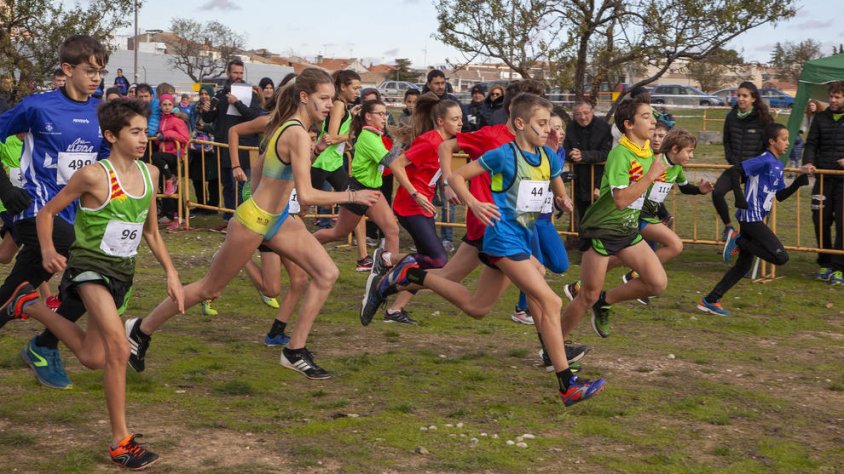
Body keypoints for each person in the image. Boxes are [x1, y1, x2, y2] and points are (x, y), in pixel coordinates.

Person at [123, 68, 380, 380]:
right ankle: (140, 329)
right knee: (208, 288)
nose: (329, 104)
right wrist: (354, 194)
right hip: (254, 221)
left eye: (330, 98)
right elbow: (309, 195)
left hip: (279, 220)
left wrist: (315, 152)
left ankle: (294, 350)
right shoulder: (295, 131)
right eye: (323, 98)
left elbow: (267, 171)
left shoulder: (292, 129)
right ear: (303, 97)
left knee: (327, 273)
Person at [360, 93, 604, 406]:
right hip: (501, 240)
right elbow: (459, 175)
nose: (548, 130)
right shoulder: (503, 153)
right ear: (519, 123)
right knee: (549, 299)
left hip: (519, 239)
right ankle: (566, 382)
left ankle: (413, 274)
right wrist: (474, 203)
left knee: (478, 308)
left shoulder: (544, 155)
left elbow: (552, 175)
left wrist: (561, 197)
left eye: (550, 124)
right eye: (542, 124)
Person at [0, 98, 183, 469]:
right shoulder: (93, 175)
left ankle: (28, 304)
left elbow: (150, 231)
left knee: (92, 357)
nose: (143, 138)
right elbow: (47, 212)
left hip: (121, 274)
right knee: (118, 350)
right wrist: (49, 250)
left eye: (144, 131)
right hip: (88, 269)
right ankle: (121, 442)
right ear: (111, 136)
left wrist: (172, 272)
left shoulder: (150, 174)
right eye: (134, 131)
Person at [0, 35, 111, 390]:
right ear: (67, 69)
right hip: (35, 208)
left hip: (76, 214)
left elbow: (107, 164)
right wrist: (5, 188)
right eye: (90, 70)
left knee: (16, 288)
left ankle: (34, 333)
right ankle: (45, 343)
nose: (96, 78)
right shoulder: (37, 106)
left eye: (101, 71)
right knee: (88, 261)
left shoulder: (101, 112)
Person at [560, 95, 668, 340]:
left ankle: (605, 301)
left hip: (627, 231)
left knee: (657, 283)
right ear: (629, 125)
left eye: (652, 115)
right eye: (646, 116)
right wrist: (651, 176)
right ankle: (554, 344)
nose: (653, 121)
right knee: (586, 294)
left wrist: (661, 212)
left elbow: (644, 193)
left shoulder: (648, 153)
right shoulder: (620, 154)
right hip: (602, 231)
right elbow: (620, 200)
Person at [698, 123, 811, 314]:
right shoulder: (764, 160)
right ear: (772, 142)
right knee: (781, 257)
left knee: (742, 266)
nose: (787, 142)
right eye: (783, 139)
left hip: (758, 217)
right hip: (751, 216)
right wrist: (739, 197)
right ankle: (739, 240)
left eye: (787, 139)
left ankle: (711, 299)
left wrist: (799, 181)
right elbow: (735, 171)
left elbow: (781, 195)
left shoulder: (778, 165)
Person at [383, 93, 462, 324]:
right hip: (410, 206)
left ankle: (395, 310)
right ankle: (387, 259)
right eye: (455, 119)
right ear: (441, 121)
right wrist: (416, 194)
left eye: (461, 118)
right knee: (438, 260)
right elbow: (396, 164)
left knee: (426, 264)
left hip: (424, 207)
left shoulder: (445, 144)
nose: (460, 123)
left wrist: (446, 187)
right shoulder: (430, 141)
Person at [312, 99, 401, 270]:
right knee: (338, 233)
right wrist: (401, 142)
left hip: (372, 190)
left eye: (386, 114)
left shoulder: (374, 135)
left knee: (392, 231)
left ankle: (389, 275)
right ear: (368, 116)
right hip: (358, 190)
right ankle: (304, 245)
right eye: (380, 114)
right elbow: (389, 160)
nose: (384, 118)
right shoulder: (368, 136)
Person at [511, 113, 569, 326]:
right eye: (552, 127)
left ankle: (518, 266)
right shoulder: (532, 153)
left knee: (560, 265)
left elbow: (555, 184)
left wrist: (561, 199)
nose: (558, 132)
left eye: (561, 128)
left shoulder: (560, 152)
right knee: (537, 264)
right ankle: (521, 307)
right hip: (528, 217)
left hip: (545, 218)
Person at [200, 59, 264, 226]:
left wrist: (237, 102)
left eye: (241, 73)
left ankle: (244, 218)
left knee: (244, 185)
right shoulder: (220, 94)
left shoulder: (251, 94)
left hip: (244, 146)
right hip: (224, 145)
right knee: (227, 183)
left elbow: (255, 118)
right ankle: (230, 217)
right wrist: (206, 110)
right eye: (235, 73)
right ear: (228, 73)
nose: (238, 76)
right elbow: (209, 118)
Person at [712, 81, 772, 243]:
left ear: (753, 98)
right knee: (717, 192)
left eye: (745, 96)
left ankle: (749, 240)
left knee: (748, 208)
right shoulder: (731, 116)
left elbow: (769, 145)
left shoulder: (764, 118)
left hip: (755, 170)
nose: (740, 99)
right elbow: (727, 141)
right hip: (737, 167)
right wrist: (731, 159)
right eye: (738, 95)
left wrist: (758, 164)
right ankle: (729, 227)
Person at [802, 81, 844, 284]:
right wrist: (808, 161)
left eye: (838, 97)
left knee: (843, 223)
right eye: (832, 97)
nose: (833, 101)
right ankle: (825, 263)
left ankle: (839, 267)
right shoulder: (820, 117)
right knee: (820, 219)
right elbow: (811, 143)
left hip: (843, 181)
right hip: (823, 179)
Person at [564, 100, 613, 226]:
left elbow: (607, 153)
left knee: (599, 216)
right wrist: (572, 154)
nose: (583, 117)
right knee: (581, 214)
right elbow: (565, 149)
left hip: (598, 178)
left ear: (593, 112)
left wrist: (584, 156)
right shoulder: (571, 127)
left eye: (586, 113)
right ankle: (581, 241)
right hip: (578, 180)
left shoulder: (604, 127)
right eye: (578, 114)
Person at [152, 93, 190, 230]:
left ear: (173, 105)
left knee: (156, 157)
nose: (167, 107)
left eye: (169, 105)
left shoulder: (177, 120)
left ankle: (170, 178)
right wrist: (158, 137)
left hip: (175, 155)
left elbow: (185, 138)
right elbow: (160, 138)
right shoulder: (162, 121)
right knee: (172, 190)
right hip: (166, 155)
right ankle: (178, 216)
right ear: (160, 106)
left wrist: (167, 135)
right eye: (164, 105)